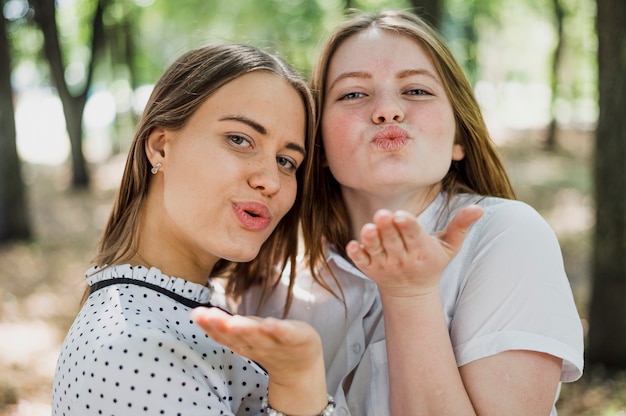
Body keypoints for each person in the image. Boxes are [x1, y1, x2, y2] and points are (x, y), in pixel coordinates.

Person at [238, 9, 584, 415]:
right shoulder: (272, 283)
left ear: (460, 138)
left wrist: (411, 295)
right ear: (320, 148)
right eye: (353, 94)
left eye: (417, 91)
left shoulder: (507, 236)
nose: (388, 110)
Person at [51, 43, 336, 416]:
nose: (270, 180)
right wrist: (299, 386)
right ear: (160, 147)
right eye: (239, 139)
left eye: (286, 161)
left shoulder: (193, 306)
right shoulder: (134, 348)